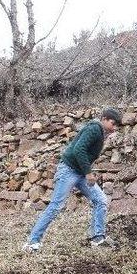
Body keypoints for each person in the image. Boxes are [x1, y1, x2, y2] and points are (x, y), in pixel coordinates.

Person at [22, 108, 122, 253]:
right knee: (56, 206)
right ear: (105, 119)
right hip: (68, 170)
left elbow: (84, 153)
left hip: (80, 172)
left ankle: (98, 238)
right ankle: (32, 243)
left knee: (100, 200)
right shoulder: (94, 128)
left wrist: (86, 171)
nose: (114, 128)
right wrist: (88, 173)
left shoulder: (100, 132)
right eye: (113, 124)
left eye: (116, 126)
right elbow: (78, 149)